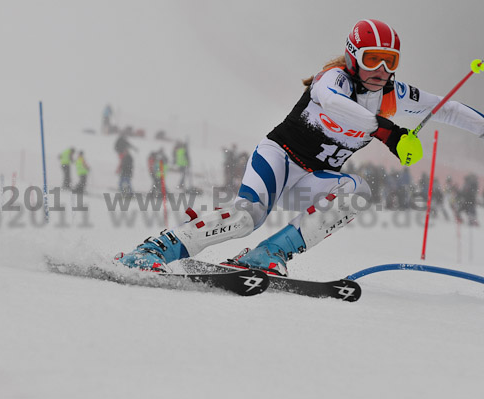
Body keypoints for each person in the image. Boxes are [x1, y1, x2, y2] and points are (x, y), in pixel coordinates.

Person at [116, 19, 484, 275]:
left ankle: (267, 255)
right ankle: (154, 250)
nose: (382, 70)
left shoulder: (391, 93)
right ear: (354, 57)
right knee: (247, 218)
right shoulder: (333, 79)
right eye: (373, 59)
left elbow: (446, 108)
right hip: (280, 158)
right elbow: (336, 105)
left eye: (391, 62)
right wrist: (388, 133)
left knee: (358, 191)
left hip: (316, 176)